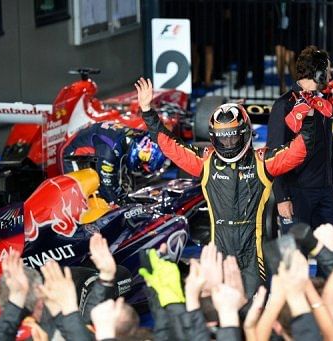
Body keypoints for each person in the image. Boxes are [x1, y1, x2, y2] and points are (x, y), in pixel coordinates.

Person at [135, 77, 317, 297]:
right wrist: (147, 110)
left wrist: (307, 118)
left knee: (253, 307)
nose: (228, 143)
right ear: (213, 137)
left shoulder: (263, 162)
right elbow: (168, 144)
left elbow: (300, 150)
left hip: (254, 252)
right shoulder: (205, 162)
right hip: (218, 250)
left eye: (232, 137)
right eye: (223, 139)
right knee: (220, 308)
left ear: (245, 133)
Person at [267, 45, 333, 233]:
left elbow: (329, 150)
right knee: (296, 259)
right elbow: (274, 155)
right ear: (317, 74)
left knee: (332, 252)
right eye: (327, 71)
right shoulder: (283, 105)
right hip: (297, 194)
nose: (330, 76)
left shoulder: (324, 104)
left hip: (326, 193)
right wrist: (282, 198)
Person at [59, 121, 165, 204]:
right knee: (79, 197)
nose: (141, 164)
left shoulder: (135, 135)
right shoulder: (110, 148)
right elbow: (106, 184)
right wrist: (117, 203)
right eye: (144, 161)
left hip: (94, 150)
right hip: (72, 154)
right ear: (143, 150)